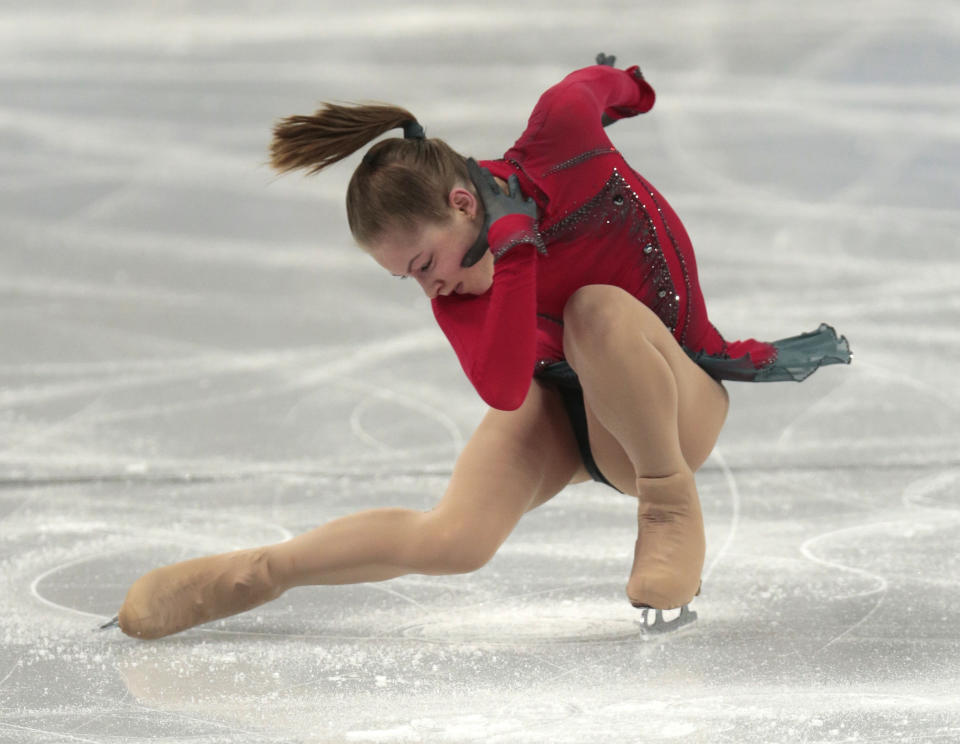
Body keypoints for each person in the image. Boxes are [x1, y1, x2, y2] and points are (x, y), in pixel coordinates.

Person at [106, 55, 850, 640]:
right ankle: (252, 575)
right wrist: (516, 257)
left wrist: (629, 86)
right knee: (454, 540)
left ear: (463, 204)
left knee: (595, 311)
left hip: (672, 400)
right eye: (405, 279)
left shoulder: (557, 141)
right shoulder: (461, 291)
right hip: (567, 409)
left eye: (423, 263)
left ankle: (666, 508)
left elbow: (588, 92)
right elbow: (501, 388)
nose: (427, 289)